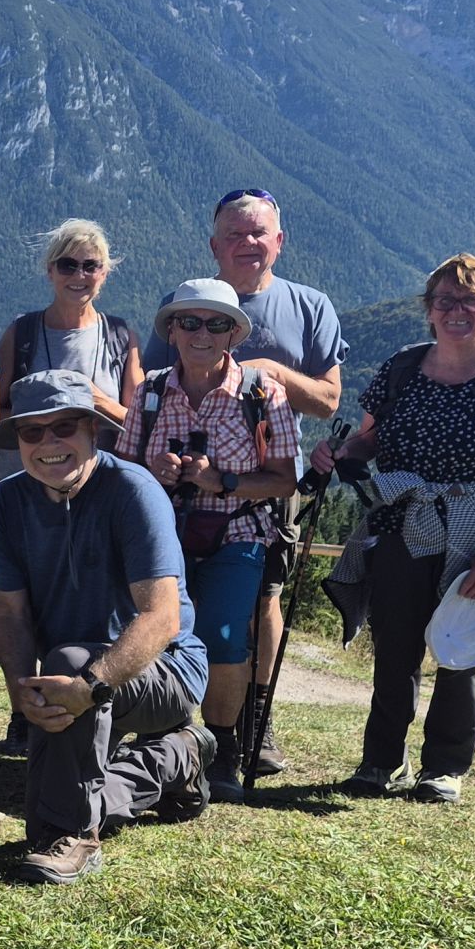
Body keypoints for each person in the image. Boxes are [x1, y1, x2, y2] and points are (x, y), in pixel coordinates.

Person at [316, 255, 475, 805]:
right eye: (443, 301)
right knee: (395, 645)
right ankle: (381, 761)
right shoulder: (403, 368)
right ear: (428, 310)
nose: (454, 311)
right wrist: (340, 451)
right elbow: (368, 441)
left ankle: (444, 768)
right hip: (405, 522)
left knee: (462, 644)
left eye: (469, 301)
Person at [0, 370, 215, 885]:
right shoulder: (4, 503)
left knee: (69, 666)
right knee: (43, 809)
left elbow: (162, 618)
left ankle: (78, 839)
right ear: (18, 442)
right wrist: (22, 691)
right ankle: (179, 756)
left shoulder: (133, 490)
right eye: (31, 432)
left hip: (167, 669)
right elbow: (12, 614)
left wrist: (88, 687)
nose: (48, 443)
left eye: (64, 426)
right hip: (74, 675)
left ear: (93, 430)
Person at [144, 189, 345, 777]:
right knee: (187, 601)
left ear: (278, 242)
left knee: (263, 601)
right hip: (182, 490)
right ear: (214, 245)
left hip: (264, 476)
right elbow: (156, 383)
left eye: (258, 232)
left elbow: (330, 401)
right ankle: (187, 721)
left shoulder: (309, 306)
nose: (247, 243)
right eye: (234, 233)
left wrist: (271, 373)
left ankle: (255, 723)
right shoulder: (185, 303)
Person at [125, 279, 298, 803]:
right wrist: (150, 469)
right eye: (190, 322)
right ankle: (169, 739)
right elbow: (123, 469)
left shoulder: (263, 394)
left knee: (225, 639)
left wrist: (219, 481)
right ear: (172, 331)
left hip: (238, 533)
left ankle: (220, 750)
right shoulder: (150, 391)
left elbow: (284, 478)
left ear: (233, 335)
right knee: (160, 637)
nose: (203, 333)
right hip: (163, 537)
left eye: (217, 323)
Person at [0, 219, 143, 442]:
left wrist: (99, 401)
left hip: (100, 475)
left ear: (104, 274)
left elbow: (142, 423)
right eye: (68, 265)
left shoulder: (121, 337)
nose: (79, 275)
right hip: (27, 474)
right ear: (50, 271)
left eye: (90, 266)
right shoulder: (21, 334)